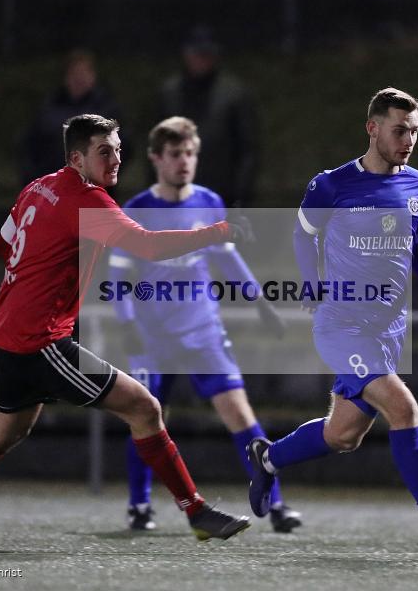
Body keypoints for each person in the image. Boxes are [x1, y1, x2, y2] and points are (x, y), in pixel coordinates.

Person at [0, 114, 252, 548]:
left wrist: (46, 265)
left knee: (5, 430)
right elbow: (150, 246)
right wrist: (216, 232)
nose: (115, 159)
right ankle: (197, 512)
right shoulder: (89, 201)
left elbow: (3, 244)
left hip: (5, 330)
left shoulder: (37, 187)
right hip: (41, 341)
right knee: (144, 408)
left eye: (118, 150)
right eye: (104, 152)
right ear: (77, 157)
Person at [245, 88, 418, 552]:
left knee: (342, 436)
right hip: (341, 326)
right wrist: (311, 283)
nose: (409, 139)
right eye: (400, 130)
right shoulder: (331, 185)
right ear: (372, 128)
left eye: (415, 130)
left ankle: (268, 458)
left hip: (390, 331)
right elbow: (302, 235)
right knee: (404, 408)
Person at [107, 116, 299, 533]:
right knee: (145, 418)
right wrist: (126, 325)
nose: (184, 162)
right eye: (176, 154)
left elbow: (227, 259)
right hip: (152, 338)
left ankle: (277, 505)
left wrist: (260, 302)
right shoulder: (136, 210)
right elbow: (118, 279)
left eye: (191, 154)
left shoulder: (209, 201)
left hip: (203, 330)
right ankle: (139, 506)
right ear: (157, 158)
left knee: (240, 414)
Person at [157, 26, 257, 207]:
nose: (201, 60)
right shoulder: (170, 94)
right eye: (197, 54)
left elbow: (247, 149)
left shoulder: (234, 94)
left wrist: (241, 194)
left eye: (206, 54)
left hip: (221, 194)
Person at [20, 49, 132, 185]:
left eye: (84, 73)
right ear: (66, 77)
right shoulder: (49, 108)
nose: (79, 78)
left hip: (94, 190)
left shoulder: (107, 110)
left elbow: (124, 147)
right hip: (54, 189)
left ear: (93, 76)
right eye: (74, 73)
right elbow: (30, 146)